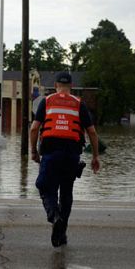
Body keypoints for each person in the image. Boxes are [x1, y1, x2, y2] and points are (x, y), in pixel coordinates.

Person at [30, 71, 100, 247]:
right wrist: (96, 157)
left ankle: (55, 217)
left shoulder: (47, 101)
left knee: (46, 188)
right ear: (71, 86)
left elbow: (34, 129)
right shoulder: (79, 104)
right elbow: (91, 132)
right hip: (71, 154)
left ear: (55, 86)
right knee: (66, 191)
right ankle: (62, 232)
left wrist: (33, 151)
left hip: (50, 152)